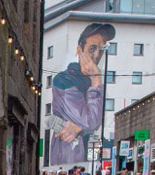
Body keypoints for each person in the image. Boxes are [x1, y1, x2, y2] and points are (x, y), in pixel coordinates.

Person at [49, 22, 114, 164]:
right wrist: (96, 81)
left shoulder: (86, 81)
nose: (97, 55)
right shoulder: (65, 80)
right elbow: (90, 122)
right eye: (92, 48)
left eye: (101, 49)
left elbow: (91, 123)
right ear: (79, 50)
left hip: (80, 155)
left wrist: (80, 128)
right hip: (68, 157)